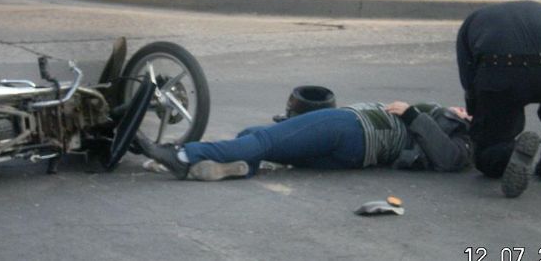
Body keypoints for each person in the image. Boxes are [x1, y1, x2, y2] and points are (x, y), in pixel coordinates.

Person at [138, 100, 472, 181]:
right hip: (357, 154)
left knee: (265, 139)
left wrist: (412, 113)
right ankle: (239, 167)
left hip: (353, 126)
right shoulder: (461, 134)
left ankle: (182, 156)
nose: (461, 108)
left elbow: (449, 159)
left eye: (467, 110)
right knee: (256, 138)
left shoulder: (460, 137)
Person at [457, 1, 541, 198]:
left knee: (487, 158)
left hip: (502, 77)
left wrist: (479, 119)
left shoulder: (471, 23)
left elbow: (469, 81)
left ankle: (509, 152)